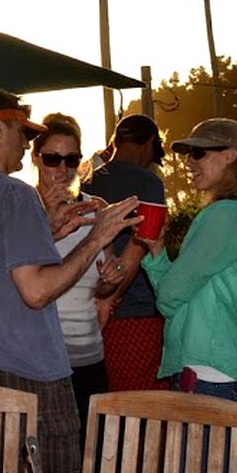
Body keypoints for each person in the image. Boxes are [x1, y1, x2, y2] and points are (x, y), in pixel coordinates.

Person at [0, 87, 137, 473]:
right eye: (23, 133)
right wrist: (96, 237)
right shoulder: (14, 193)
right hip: (24, 372)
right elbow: (37, 292)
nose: (26, 144)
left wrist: (47, 231)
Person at [132, 118, 237, 405]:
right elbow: (175, 292)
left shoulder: (224, 215)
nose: (188, 161)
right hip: (219, 371)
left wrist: (165, 281)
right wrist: (156, 252)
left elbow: (170, 295)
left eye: (198, 153)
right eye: (188, 153)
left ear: (230, 155)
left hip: (210, 374)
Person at [31, 114, 108, 431]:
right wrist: (47, 219)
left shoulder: (96, 209)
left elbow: (104, 288)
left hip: (89, 354)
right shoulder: (22, 209)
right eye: (52, 159)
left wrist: (110, 282)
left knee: (94, 455)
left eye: (71, 159)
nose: (62, 169)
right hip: (40, 359)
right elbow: (20, 282)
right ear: (36, 158)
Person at [83, 113, 168, 391]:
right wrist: (112, 299)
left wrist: (100, 301)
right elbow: (142, 243)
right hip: (135, 313)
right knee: (142, 407)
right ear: (150, 144)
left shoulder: (86, 181)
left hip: (88, 312)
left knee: (103, 402)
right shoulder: (148, 183)